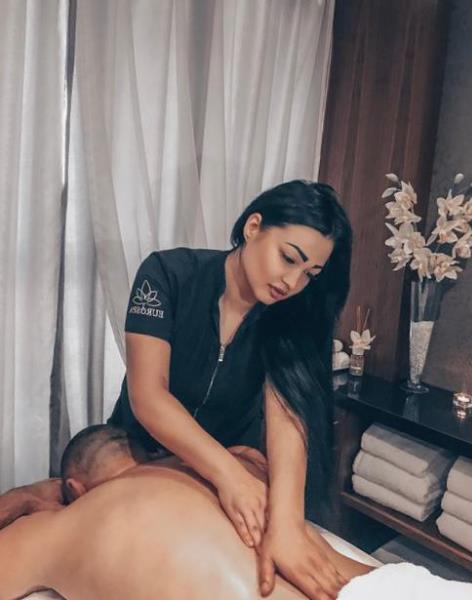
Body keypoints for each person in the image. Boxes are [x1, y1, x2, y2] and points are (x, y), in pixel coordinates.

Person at [108, 180, 353, 597]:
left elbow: (288, 419)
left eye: (310, 274)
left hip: (225, 463)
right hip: (137, 451)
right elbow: (148, 396)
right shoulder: (168, 274)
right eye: (288, 258)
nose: (292, 282)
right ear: (254, 227)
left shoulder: (292, 315)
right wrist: (229, 475)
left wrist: (288, 524)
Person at [0, 425, 374, 600]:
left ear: (73, 488)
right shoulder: (237, 465)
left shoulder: (62, 527)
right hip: (384, 587)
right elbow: (251, 455)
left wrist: (26, 495)